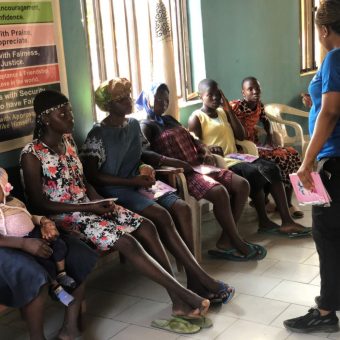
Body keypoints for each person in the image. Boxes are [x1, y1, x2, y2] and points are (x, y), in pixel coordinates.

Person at [20, 89, 212, 321]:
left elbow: (83, 181)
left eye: (70, 112)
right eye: (63, 114)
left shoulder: (68, 142)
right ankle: (182, 295)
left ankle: (178, 300)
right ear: (46, 119)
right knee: (127, 241)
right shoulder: (32, 155)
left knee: (147, 226)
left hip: (89, 208)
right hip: (65, 218)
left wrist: (97, 201)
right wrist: (89, 208)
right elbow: (38, 204)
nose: (71, 118)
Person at [81, 78, 235, 301]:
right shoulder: (98, 135)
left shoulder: (133, 125)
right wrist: (133, 183)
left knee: (182, 208)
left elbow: (144, 153)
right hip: (117, 190)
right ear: (108, 105)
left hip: (139, 183)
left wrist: (168, 160)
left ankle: (194, 277)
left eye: (128, 95)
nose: (128, 100)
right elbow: (93, 176)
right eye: (121, 98)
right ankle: (195, 282)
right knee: (161, 216)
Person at [138, 82, 267, 261]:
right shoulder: (146, 126)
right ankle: (237, 241)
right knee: (219, 192)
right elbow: (146, 154)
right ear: (148, 100)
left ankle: (226, 239)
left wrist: (204, 149)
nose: (164, 103)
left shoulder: (170, 120)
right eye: (159, 99)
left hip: (199, 166)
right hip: (182, 174)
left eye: (166, 99)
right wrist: (171, 162)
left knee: (242, 185)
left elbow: (192, 137)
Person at [188, 79, 310, 238]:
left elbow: (241, 135)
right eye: (210, 95)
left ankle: (285, 221)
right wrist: (208, 148)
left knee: (272, 168)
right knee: (256, 173)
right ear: (200, 96)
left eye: (218, 94)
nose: (215, 98)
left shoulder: (223, 113)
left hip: (236, 156)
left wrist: (228, 110)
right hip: (221, 161)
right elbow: (195, 146)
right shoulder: (196, 117)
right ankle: (265, 221)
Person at [284, 0, 340, 333]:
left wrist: (306, 162)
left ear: (323, 29)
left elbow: (332, 113)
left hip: (334, 160)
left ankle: (325, 312)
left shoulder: (334, 56)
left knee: (327, 235)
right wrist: (315, 102)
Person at [0, 171, 98, 340]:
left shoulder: (11, 201)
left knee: (76, 253)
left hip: (30, 235)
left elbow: (29, 216)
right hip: (6, 246)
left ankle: (70, 327)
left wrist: (46, 222)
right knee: (33, 273)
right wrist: (23, 244)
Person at [0, 168, 76, 306]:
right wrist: (24, 244)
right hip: (17, 242)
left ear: (5, 189)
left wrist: (43, 221)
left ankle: (62, 273)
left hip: (33, 233)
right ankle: (57, 289)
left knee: (58, 244)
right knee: (40, 264)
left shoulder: (14, 202)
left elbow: (30, 216)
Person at [231, 76, 304, 219]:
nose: (255, 91)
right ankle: (265, 200)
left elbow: (266, 121)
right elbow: (233, 131)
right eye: (250, 89)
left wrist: (270, 138)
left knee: (291, 154)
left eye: (257, 88)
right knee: (280, 158)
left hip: (257, 145)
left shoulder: (259, 105)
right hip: (242, 149)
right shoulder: (236, 107)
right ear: (243, 92)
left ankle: (287, 202)